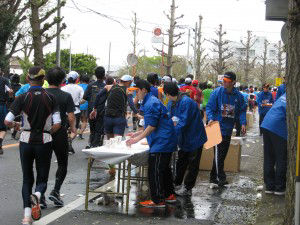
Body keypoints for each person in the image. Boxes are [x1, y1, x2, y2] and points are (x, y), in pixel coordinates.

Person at [4, 66, 61, 225]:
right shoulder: (51, 98)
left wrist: (16, 125)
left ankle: (26, 217)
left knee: (27, 178)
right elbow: (57, 124)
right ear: (43, 80)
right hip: (44, 140)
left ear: (28, 79)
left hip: (25, 140)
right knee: (42, 178)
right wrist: (47, 131)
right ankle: (37, 194)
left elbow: (7, 121)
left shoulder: (21, 97)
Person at [126, 79, 177, 208]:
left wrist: (135, 140)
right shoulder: (150, 101)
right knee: (164, 169)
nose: (135, 94)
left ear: (144, 90)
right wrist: (136, 134)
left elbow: (152, 126)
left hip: (162, 141)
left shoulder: (150, 103)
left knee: (155, 171)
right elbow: (151, 124)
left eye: (136, 91)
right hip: (165, 139)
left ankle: (158, 200)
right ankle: (169, 194)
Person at [164, 82, 207, 196]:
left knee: (193, 164)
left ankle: (188, 188)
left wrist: (170, 134)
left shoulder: (186, 102)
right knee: (181, 161)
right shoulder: (171, 103)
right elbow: (168, 118)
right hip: (183, 137)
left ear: (168, 94)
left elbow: (183, 122)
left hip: (195, 136)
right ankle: (177, 184)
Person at [206, 71, 247, 186]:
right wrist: (210, 118)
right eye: (223, 80)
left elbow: (242, 110)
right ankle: (221, 177)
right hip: (215, 126)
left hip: (228, 129)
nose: (224, 83)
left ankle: (213, 177)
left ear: (234, 82)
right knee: (218, 153)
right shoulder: (217, 93)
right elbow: (209, 107)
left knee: (221, 154)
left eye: (227, 81)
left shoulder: (238, 96)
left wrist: (243, 123)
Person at [46, 67, 76, 207]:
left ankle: (40, 195)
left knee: (42, 165)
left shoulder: (42, 94)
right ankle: (56, 191)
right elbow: (71, 117)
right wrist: (74, 130)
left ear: (46, 79)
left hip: (43, 132)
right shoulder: (65, 96)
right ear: (63, 80)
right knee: (62, 163)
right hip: (60, 133)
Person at [91, 75, 138, 139]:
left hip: (108, 117)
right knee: (117, 141)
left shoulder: (108, 87)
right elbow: (131, 103)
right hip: (119, 118)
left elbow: (98, 96)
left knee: (110, 141)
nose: (130, 85)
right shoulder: (128, 91)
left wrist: (95, 109)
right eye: (130, 83)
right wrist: (137, 113)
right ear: (127, 82)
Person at [261, 93, 287, 195]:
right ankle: (279, 187)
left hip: (267, 125)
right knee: (281, 158)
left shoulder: (285, 94)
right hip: (279, 128)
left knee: (269, 157)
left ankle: (269, 186)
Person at [83, 66, 106, 148]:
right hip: (101, 111)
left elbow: (85, 97)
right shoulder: (106, 86)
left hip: (91, 111)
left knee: (92, 129)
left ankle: (91, 144)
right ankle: (94, 145)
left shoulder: (90, 85)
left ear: (95, 75)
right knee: (99, 129)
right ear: (104, 75)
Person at [61, 71, 84, 154]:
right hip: (76, 111)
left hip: (64, 112)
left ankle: (66, 143)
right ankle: (69, 141)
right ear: (76, 79)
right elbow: (83, 99)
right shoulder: (79, 88)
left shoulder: (63, 88)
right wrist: (77, 103)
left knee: (64, 129)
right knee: (74, 130)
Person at [0, 71, 12, 155]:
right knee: (3, 128)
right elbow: (10, 91)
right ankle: (0, 143)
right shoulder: (5, 80)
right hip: (1, 105)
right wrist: (10, 98)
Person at [78, 75, 90, 139]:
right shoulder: (89, 86)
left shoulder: (78, 86)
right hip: (86, 106)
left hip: (77, 106)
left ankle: (78, 130)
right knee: (84, 121)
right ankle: (80, 132)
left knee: (78, 120)